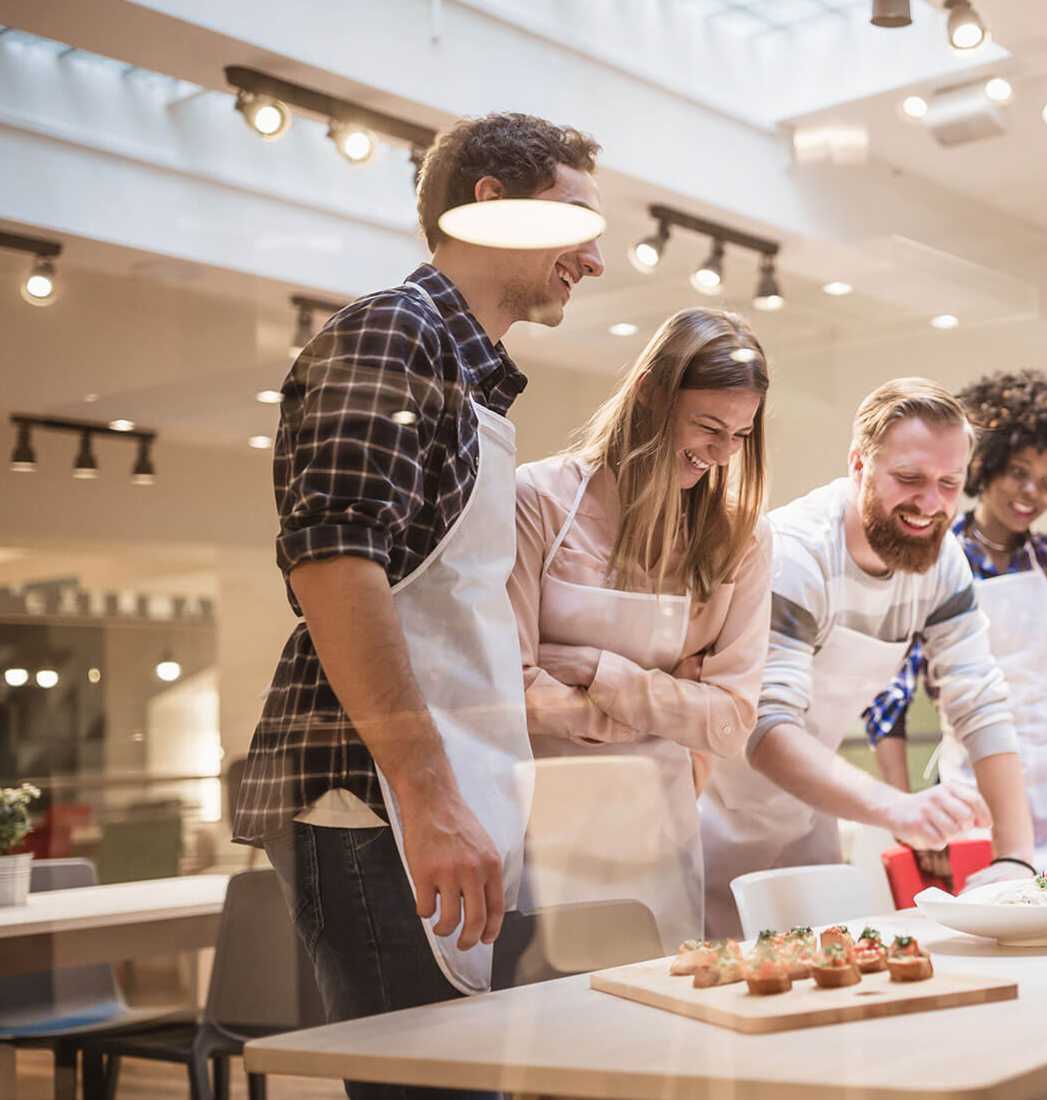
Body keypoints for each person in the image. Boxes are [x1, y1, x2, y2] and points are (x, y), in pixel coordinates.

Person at [231, 111, 605, 1093]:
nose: (594, 257)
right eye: (578, 221)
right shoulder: (396, 329)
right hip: (374, 805)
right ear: (493, 203)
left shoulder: (467, 370)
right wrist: (432, 794)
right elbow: (332, 561)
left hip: (432, 804)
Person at [698, 378, 1037, 938]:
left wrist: (1015, 855)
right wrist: (896, 808)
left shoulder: (942, 561)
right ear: (858, 464)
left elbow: (979, 700)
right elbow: (764, 726)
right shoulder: (795, 552)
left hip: (812, 810)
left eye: (949, 484)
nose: (930, 505)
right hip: (713, 814)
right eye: (909, 479)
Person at [507, 307, 771, 949]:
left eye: (740, 435)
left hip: (659, 826)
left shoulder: (741, 536)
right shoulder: (537, 500)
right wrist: (662, 705)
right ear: (651, 391)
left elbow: (732, 721)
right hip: (538, 820)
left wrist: (597, 673)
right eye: (709, 427)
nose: (721, 454)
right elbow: (508, 689)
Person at [864, 369, 1047, 875]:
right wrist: (903, 812)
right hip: (976, 782)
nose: (1031, 493)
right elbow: (889, 697)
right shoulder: (934, 560)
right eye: (1019, 473)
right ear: (985, 464)